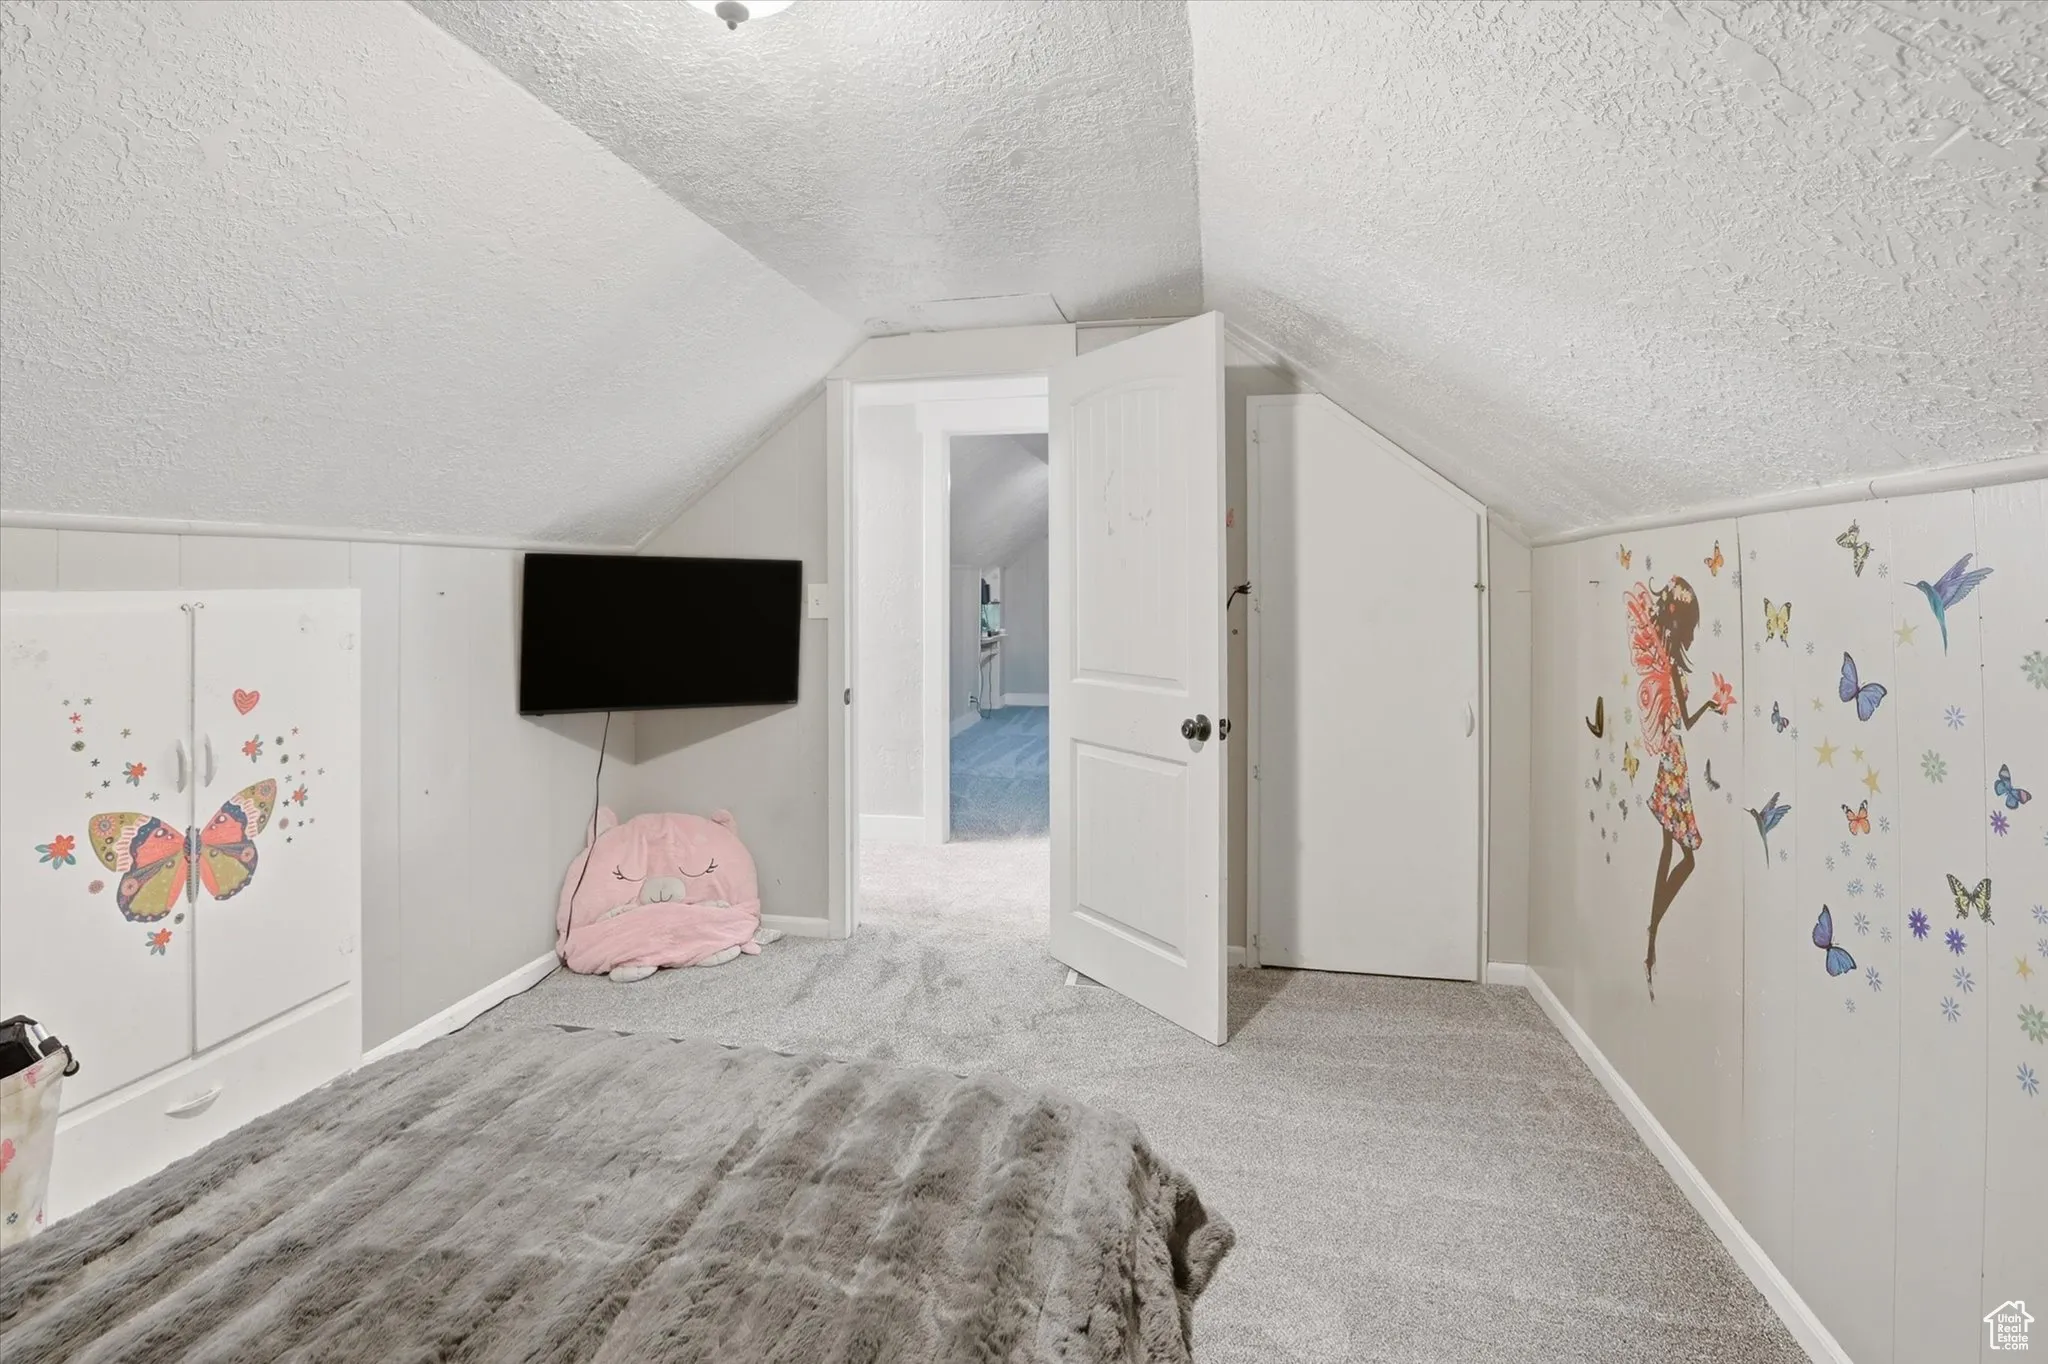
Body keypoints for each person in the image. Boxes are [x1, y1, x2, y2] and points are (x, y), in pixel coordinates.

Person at [1627, 575, 1730, 998]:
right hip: (1673, 762)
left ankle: (1652, 933)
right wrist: (1711, 704)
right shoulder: (1670, 667)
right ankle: (1652, 932)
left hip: (1675, 761)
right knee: (1679, 853)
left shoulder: (1671, 665)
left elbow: (1682, 720)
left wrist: (1708, 704)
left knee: (1676, 852)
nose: (1691, 634)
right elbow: (1684, 721)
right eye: (1689, 625)